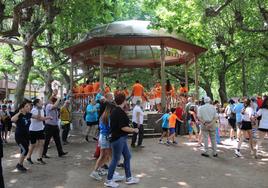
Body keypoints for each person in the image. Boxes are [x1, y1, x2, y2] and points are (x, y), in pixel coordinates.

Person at [104, 93, 139, 187]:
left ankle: (129, 178)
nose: (126, 101)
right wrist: (134, 130)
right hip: (118, 139)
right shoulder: (118, 112)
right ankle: (108, 180)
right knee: (115, 159)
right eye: (126, 100)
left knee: (127, 156)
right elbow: (123, 127)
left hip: (121, 138)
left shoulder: (117, 110)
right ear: (123, 101)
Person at [11, 100, 48, 172]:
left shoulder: (29, 114)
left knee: (24, 150)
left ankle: (20, 164)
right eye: (27, 106)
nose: (29, 107)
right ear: (22, 108)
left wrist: (39, 110)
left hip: (26, 135)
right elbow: (12, 119)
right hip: (19, 136)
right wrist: (19, 112)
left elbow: (38, 117)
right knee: (25, 150)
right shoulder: (19, 115)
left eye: (29, 106)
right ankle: (19, 165)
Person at [26, 99, 51, 165]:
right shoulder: (33, 110)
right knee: (33, 145)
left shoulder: (42, 109)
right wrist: (48, 117)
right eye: (40, 102)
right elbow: (39, 118)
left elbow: (42, 118)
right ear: (37, 104)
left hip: (40, 129)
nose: (42, 103)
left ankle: (40, 158)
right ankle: (28, 157)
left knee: (42, 143)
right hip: (33, 130)